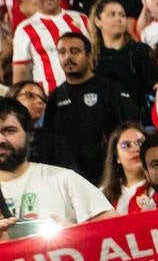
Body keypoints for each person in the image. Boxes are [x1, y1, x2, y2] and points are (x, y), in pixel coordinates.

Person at [44, 31, 143, 184]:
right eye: (62, 52)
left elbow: (132, 126)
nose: (68, 57)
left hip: (111, 177)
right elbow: (51, 141)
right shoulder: (55, 97)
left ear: (89, 56)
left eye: (75, 51)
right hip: (73, 180)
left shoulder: (110, 88)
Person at [0, 98, 114, 228]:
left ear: (29, 135)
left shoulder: (64, 180)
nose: (1, 140)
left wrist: (77, 235)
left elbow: (116, 229)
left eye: (9, 130)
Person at [12, 0, 89, 93]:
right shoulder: (24, 29)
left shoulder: (81, 19)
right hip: (49, 102)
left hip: (86, 94)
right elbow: (21, 74)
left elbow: (94, 58)